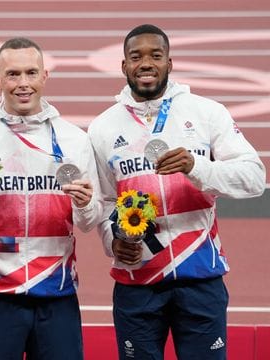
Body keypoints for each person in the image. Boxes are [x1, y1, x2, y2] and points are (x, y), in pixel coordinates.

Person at [87, 24, 266, 360]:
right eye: (135, 56)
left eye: (156, 55)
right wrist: (113, 240)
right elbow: (104, 201)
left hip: (199, 275)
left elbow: (255, 178)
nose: (146, 63)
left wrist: (197, 167)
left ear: (170, 63)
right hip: (137, 278)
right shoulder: (103, 126)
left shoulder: (206, 113)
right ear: (124, 65)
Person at [0, 37, 102, 360]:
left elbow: (89, 222)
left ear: (45, 76)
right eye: (13, 74)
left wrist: (86, 203)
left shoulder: (75, 140)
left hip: (57, 293)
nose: (23, 84)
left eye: (31, 73)